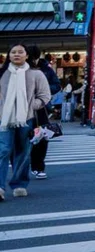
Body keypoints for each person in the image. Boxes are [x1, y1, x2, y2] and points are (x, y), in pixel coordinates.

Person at [0, 44, 51, 201]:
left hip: (27, 118)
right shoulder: (2, 74)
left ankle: (19, 184)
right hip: (4, 119)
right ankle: (0, 187)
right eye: (13, 52)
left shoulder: (36, 74)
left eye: (20, 52)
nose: (16, 54)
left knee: (23, 152)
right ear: (9, 56)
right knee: (4, 150)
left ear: (26, 56)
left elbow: (45, 95)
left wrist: (30, 105)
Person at [28, 53, 60, 181]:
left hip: (41, 108)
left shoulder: (46, 69)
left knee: (41, 137)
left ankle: (38, 167)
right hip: (20, 109)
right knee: (20, 139)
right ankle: (21, 168)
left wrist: (42, 90)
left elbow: (56, 85)